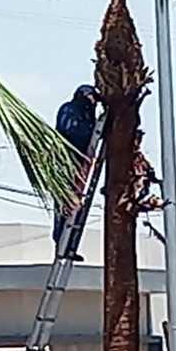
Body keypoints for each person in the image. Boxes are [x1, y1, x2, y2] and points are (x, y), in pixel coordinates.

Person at [52, 85, 101, 256]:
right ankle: (61, 244)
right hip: (66, 161)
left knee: (76, 205)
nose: (94, 102)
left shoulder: (88, 113)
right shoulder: (70, 109)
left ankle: (70, 246)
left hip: (80, 162)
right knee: (64, 205)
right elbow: (70, 132)